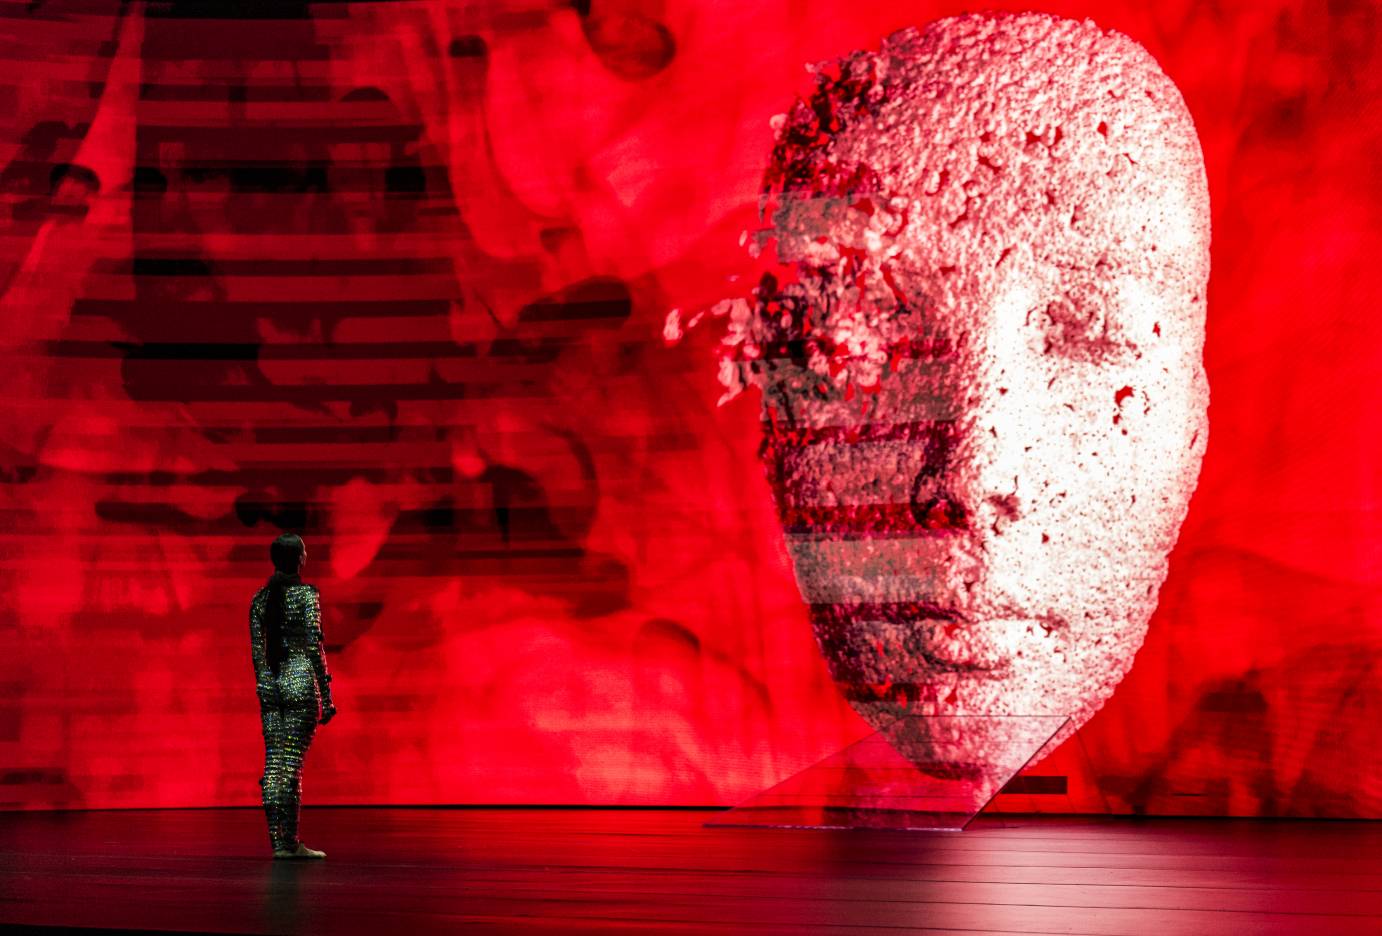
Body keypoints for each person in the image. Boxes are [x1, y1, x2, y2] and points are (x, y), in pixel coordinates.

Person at [249, 533, 336, 858]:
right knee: (291, 765)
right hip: (299, 683)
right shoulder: (305, 595)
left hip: (269, 685)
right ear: (299, 559)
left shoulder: (259, 600)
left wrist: (265, 685)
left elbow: (257, 654)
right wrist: (326, 696)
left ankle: (279, 843)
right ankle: (290, 843)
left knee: (274, 763)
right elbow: (315, 645)